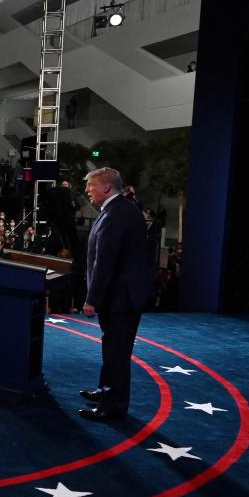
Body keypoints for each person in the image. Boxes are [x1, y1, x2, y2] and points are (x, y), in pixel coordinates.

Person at [79, 167, 152, 421]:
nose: (87, 190)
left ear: (106, 188)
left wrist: (92, 299)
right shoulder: (116, 209)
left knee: (117, 354)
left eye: (91, 186)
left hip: (121, 298)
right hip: (118, 296)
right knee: (112, 349)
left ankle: (113, 406)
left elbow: (105, 262)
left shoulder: (118, 213)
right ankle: (104, 391)